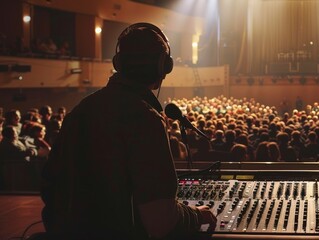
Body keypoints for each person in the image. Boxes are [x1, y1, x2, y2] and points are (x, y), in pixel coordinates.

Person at [41, 23, 216, 239]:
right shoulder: (145, 119)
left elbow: (50, 185)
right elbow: (161, 222)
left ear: (119, 63)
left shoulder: (80, 110)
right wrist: (196, 215)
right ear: (163, 66)